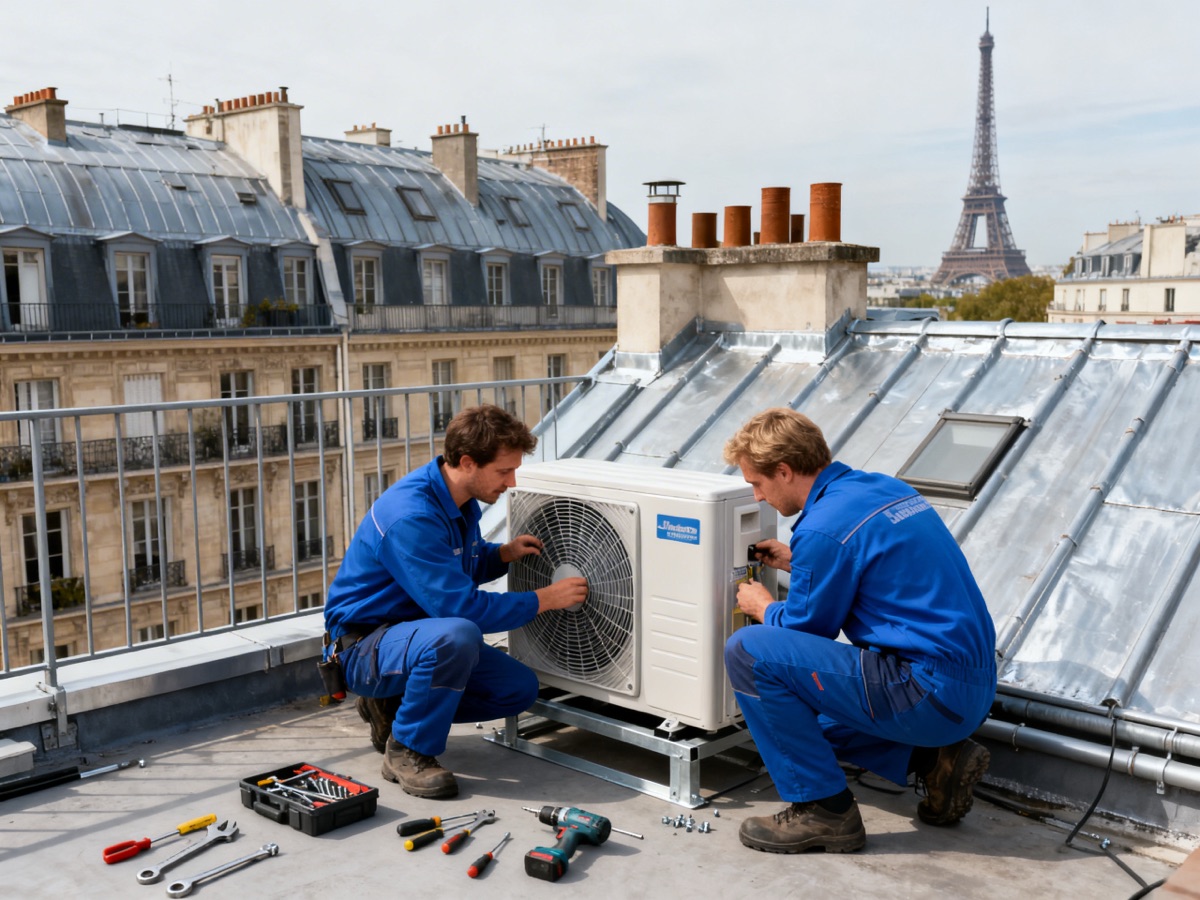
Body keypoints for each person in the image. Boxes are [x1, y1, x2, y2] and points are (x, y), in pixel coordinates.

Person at [722, 408, 996, 853]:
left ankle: (824, 811)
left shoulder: (824, 528)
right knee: (805, 735)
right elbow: (869, 565)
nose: (756, 497)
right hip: (971, 691)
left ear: (785, 471)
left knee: (748, 651)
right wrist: (800, 560)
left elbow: (807, 630)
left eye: (757, 483)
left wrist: (764, 607)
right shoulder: (880, 488)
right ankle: (934, 760)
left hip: (926, 692)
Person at [323, 404, 588, 799]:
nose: (512, 482)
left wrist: (501, 555)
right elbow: (460, 609)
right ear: (467, 462)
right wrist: (545, 599)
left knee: (518, 689)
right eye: (503, 471)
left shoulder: (458, 502)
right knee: (458, 634)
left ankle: (394, 708)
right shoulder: (412, 516)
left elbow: (452, 569)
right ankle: (408, 749)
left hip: (413, 637)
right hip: (364, 647)